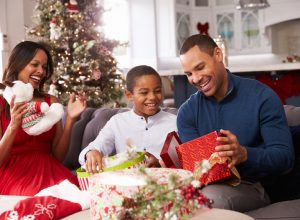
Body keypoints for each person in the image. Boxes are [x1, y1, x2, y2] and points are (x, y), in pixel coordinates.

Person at [177, 34, 294, 212]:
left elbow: (285, 159)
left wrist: (245, 154)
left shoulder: (262, 97)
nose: (195, 78)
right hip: (206, 187)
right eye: (189, 74)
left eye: (200, 68)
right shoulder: (187, 112)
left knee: (207, 200)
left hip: (253, 186)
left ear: (217, 55)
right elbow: (197, 170)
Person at [0, 41, 87, 196]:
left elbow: (58, 156)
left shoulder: (50, 102)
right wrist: (13, 126)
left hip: (50, 169)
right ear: (17, 65)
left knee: (79, 194)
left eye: (44, 67)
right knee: (39, 199)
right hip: (15, 175)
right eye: (35, 64)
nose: (41, 71)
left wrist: (70, 120)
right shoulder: (1, 103)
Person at [79, 65, 177, 173]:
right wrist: (91, 152)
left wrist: (161, 164)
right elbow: (93, 148)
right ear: (129, 95)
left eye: (157, 91)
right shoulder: (117, 122)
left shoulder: (175, 122)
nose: (152, 97)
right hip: (126, 184)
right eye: (144, 92)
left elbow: (186, 161)